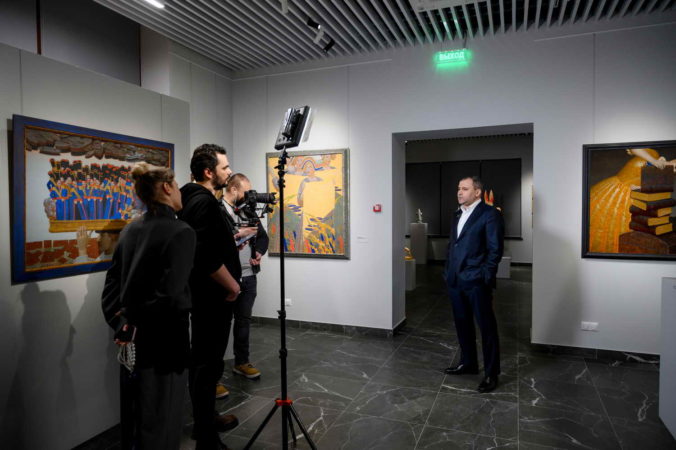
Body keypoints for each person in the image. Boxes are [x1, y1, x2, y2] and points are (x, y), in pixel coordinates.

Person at [101, 163, 196, 449]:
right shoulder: (181, 231)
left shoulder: (130, 230)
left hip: (131, 341)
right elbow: (171, 295)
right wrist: (133, 319)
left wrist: (122, 323)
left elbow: (112, 284)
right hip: (166, 343)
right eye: (176, 186)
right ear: (166, 188)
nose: (180, 192)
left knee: (136, 417)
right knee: (162, 419)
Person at [178, 144, 241, 450]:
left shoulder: (192, 197)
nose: (229, 172)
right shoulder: (201, 201)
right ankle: (205, 435)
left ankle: (207, 419)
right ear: (208, 171)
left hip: (207, 296)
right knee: (206, 364)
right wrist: (232, 286)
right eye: (224, 167)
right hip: (212, 297)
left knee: (207, 362)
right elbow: (202, 254)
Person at [444, 176, 504, 394]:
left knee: (486, 328)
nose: (459, 192)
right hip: (455, 280)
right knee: (462, 324)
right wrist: (447, 270)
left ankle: (491, 374)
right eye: (458, 188)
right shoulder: (457, 213)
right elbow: (454, 244)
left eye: (465, 189)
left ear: (477, 192)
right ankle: (468, 363)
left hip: (477, 281)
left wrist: (485, 277)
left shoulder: (490, 214)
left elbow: (495, 250)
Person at [221, 173, 269, 379]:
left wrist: (258, 252)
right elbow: (216, 244)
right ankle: (213, 376)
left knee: (243, 322)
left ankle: (242, 362)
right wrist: (239, 236)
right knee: (220, 326)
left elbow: (263, 237)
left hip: (249, 277)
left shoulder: (248, 211)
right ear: (233, 189)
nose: (250, 196)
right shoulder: (218, 211)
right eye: (246, 191)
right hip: (226, 279)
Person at [589, 148, 676, 253]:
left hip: (634, 197)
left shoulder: (661, 175)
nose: (674, 170)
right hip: (615, 191)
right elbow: (634, 148)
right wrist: (654, 161)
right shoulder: (653, 154)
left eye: (675, 171)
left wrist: (638, 187)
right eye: (675, 165)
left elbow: (648, 188)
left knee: (635, 235)